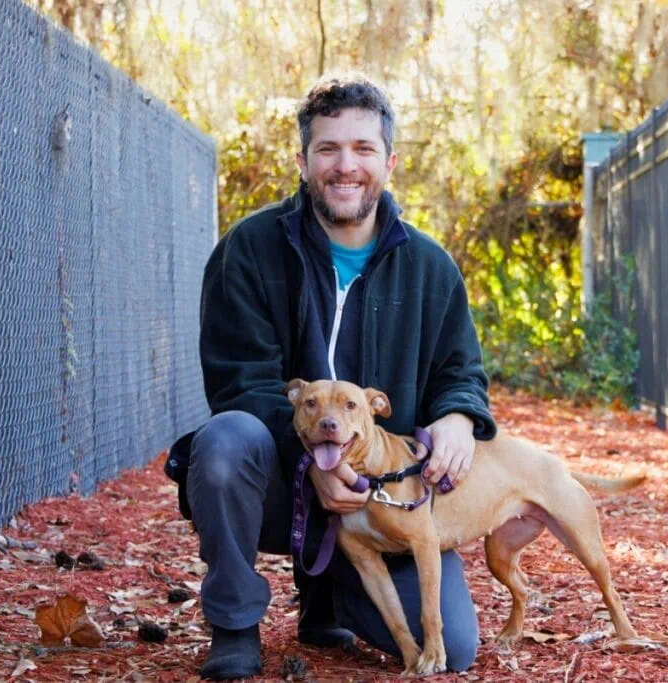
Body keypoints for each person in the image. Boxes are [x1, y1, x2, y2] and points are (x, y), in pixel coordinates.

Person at [167, 74, 497, 681]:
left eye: (363, 149)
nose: (346, 166)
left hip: (381, 495)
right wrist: (311, 461)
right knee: (223, 443)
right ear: (302, 160)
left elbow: (461, 370)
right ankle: (236, 626)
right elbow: (240, 384)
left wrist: (456, 415)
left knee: (454, 645)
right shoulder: (248, 249)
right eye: (328, 149)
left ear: (389, 162)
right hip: (278, 479)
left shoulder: (429, 267)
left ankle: (330, 594)